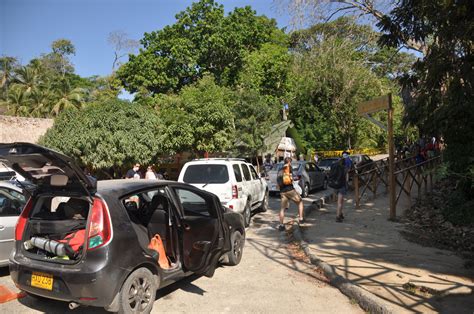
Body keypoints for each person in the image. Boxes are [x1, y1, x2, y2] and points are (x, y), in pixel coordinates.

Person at [277, 157, 304, 231]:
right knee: (300, 202)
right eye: (290, 162)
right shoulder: (289, 168)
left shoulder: (280, 170)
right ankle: (301, 218)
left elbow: (278, 181)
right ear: (289, 162)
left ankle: (281, 225)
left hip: (282, 191)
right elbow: (292, 179)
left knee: (282, 209)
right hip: (290, 190)